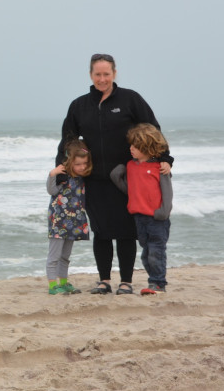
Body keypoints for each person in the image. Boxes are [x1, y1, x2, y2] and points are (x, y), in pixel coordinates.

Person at [56, 54, 172, 296]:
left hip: (127, 180)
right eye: (97, 74)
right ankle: (104, 280)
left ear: (114, 74)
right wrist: (61, 170)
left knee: (126, 231)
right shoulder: (80, 105)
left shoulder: (130, 99)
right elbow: (67, 138)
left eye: (106, 74)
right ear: (91, 75)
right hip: (94, 179)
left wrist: (165, 159)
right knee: (102, 231)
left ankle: (126, 281)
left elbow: (153, 130)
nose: (102, 79)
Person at [110, 124, 173, 295]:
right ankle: (154, 281)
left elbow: (167, 191)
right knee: (146, 254)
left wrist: (163, 212)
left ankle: (158, 283)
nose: (131, 149)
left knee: (156, 252)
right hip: (139, 217)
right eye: (131, 145)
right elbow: (130, 190)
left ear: (147, 147)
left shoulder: (159, 167)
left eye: (135, 146)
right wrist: (117, 175)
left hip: (157, 218)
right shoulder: (131, 166)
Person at [46, 139, 92, 294]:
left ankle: (63, 282)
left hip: (74, 221)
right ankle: (53, 286)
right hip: (59, 221)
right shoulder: (63, 177)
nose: (82, 167)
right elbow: (52, 191)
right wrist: (52, 175)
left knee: (65, 256)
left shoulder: (82, 179)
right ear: (69, 162)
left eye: (84, 163)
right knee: (55, 255)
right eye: (77, 164)